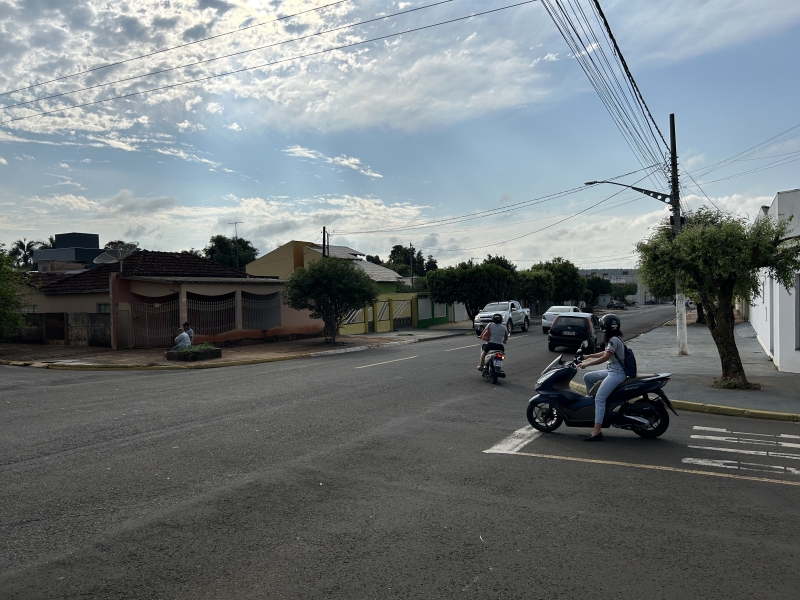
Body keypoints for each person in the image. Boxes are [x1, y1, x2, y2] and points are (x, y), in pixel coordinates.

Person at [577, 314, 626, 442]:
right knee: (588, 377)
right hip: (611, 371)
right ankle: (595, 408)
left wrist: (586, 364)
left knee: (600, 398)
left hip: (616, 374)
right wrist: (588, 356)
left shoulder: (613, 340)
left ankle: (597, 430)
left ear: (605, 326)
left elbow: (605, 357)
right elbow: (605, 353)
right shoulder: (614, 338)